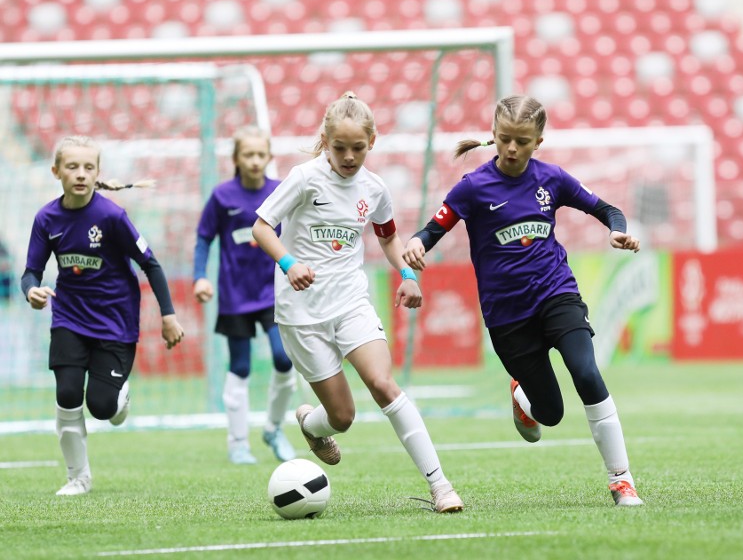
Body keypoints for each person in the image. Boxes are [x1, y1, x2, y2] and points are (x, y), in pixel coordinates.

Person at [402, 94, 645, 507]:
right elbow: (432, 229)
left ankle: (622, 481)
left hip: (557, 293)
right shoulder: (474, 187)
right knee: (549, 414)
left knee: (586, 373)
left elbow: (606, 208)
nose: (512, 149)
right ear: (494, 136)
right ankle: (522, 395)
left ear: (539, 142)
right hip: (508, 318)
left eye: (522, 141)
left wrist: (615, 230)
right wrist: (415, 245)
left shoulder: (552, 180)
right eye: (505, 139)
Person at [252, 92, 464, 513]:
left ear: (373, 142)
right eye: (339, 148)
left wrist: (407, 275)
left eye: (358, 148)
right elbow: (261, 228)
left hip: (351, 301)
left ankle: (441, 487)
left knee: (384, 385)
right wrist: (289, 263)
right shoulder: (305, 178)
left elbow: (387, 237)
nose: (349, 157)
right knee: (343, 418)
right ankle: (312, 425)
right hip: (301, 313)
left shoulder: (375, 188)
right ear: (325, 141)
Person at [21, 135, 185, 496]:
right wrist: (31, 291)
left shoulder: (111, 216)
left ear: (98, 174)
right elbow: (31, 271)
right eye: (72, 167)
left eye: (88, 167)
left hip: (115, 321)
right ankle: (77, 477)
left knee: (101, 407)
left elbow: (151, 264)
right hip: (68, 317)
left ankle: (117, 393)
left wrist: (169, 316)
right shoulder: (47, 218)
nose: (80, 174)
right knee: (66, 393)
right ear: (56, 171)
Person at [193, 125, 298, 465]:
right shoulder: (222, 197)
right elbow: (204, 238)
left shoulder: (280, 191)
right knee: (240, 367)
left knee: (284, 359)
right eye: (248, 154)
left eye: (260, 154)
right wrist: (199, 278)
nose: (255, 160)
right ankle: (238, 443)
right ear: (236, 159)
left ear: (269, 157)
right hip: (235, 296)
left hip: (273, 292)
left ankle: (273, 428)